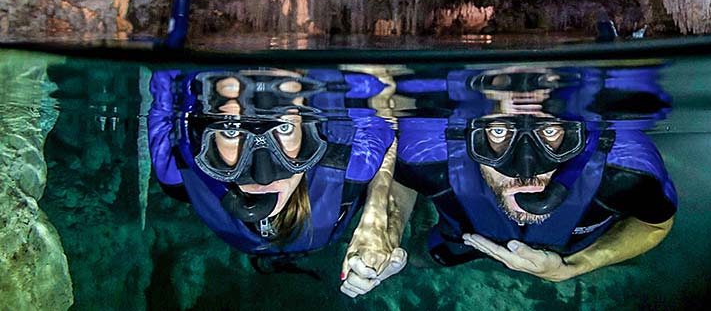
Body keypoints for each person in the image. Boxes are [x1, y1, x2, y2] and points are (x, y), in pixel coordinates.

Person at [340, 66, 677, 296]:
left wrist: (574, 267)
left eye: (549, 132)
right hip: (464, 238)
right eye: (499, 132)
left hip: (566, 248)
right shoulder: (431, 151)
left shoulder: (627, 171)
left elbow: (655, 224)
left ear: (575, 133)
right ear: (473, 130)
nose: (524, 168)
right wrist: (387, 233)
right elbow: (405, 178)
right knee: (420, 258)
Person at [148, 68, 395, 263]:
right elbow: (380, 89)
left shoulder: (173, 168)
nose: (262, 175)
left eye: (231, 129)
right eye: (285, 126)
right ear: (308, 130)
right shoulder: (354, 163)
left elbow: (164, 80)